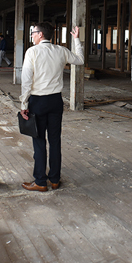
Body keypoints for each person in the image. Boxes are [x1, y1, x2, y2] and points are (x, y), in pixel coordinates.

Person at [20, 22, 84, 192]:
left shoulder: (32, 52)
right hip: (56, 101)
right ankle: (55, 179)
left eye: (33, 33)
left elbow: (26, 80)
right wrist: (77, 40)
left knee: (39, 141)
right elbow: (80, 60)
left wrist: (24, 103)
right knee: (55, 141)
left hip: (38, 102)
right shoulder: (61, 50)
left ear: (40, 34)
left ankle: (40, 181)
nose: (32, 35)